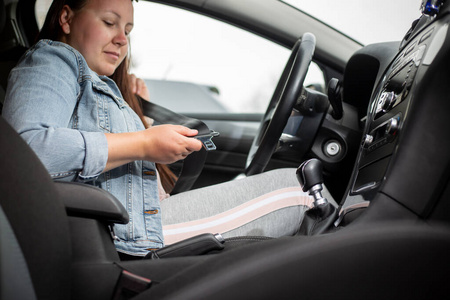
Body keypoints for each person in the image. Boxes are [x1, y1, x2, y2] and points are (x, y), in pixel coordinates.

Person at [2, 0, 335, 258]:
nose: (121, 39)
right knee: (302, 191)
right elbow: (28, 153)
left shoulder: (99, 82)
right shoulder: (50, 61)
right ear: (66, 18)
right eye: (109, 22)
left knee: (296, 187)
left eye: (128, 30)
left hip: (139, 221)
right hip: (123, 233)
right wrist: (144, 142)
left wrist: (140, 121)